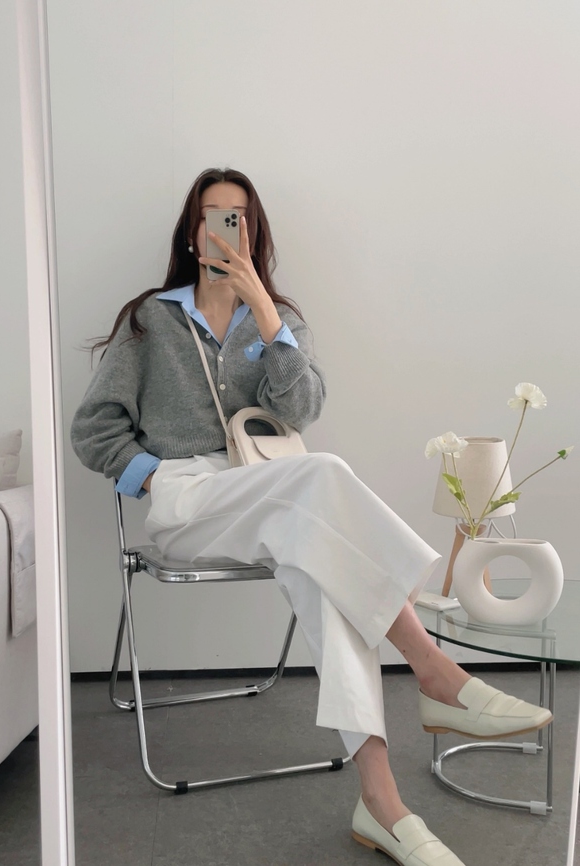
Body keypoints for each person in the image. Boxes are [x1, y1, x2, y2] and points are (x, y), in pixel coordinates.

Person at [71, 168, 552, 866]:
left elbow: (300, 411)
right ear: (192, 231)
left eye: (238, 217)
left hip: (278, 495)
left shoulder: (279, 320)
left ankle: (381, 802)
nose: (225, 228)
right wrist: (154, 476)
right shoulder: (151, 320)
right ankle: (433, 667)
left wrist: (265, 316)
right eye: (213, 215)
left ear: (255, 232)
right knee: (322, 476)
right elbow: (94, 429)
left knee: (322, 569)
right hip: (191, 500)